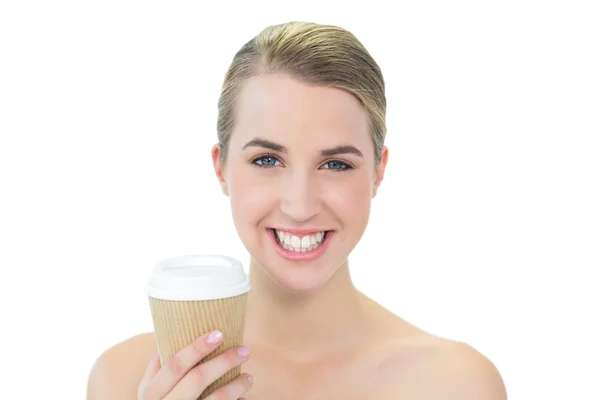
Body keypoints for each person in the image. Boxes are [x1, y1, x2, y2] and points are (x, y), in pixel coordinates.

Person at [87, 21, 507, 399]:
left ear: (378, 172)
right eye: (268, 160)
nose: (300, 206)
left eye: (336, 164)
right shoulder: (127, 381)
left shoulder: (459, 385)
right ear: (221, 168)